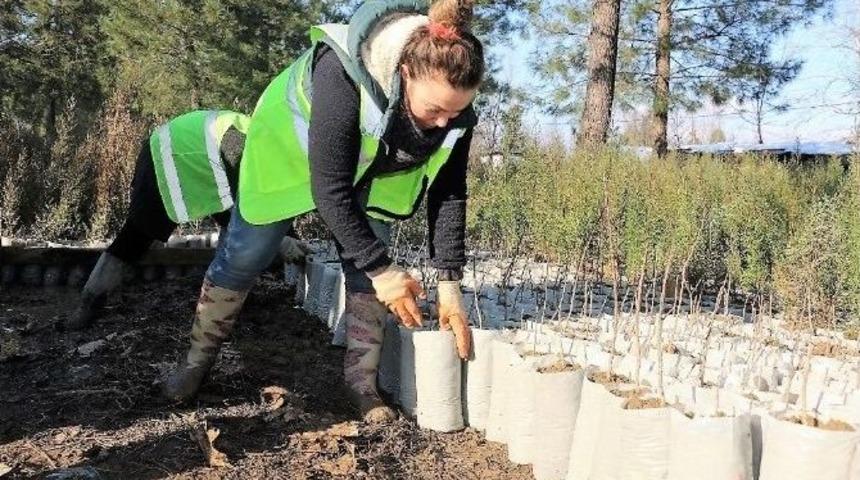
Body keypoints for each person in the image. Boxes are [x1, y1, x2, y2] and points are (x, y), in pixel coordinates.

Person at [162, 0, 484, 424]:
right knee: (246, 255)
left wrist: (449, 284)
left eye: (456, 112)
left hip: (367, 170)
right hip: (287, 158)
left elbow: (450, 192)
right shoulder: (340, 73)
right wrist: (385, 272)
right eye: (435, 110)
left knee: (367, 261)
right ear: (404, 74)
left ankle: (361, 386)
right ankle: (194, 364)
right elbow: (330, 190)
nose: (444, 123)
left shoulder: (454, 115)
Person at [68, 110, 308, 330]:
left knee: (232, 226)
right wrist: (283, 243)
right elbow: (245, 216)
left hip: (199, 159)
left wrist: (289, 238)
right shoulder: (247, 150)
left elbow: (272, 207)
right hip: (166, 156)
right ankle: (87, 307)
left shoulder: (263, 146)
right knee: (135, 237)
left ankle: (226, 302)